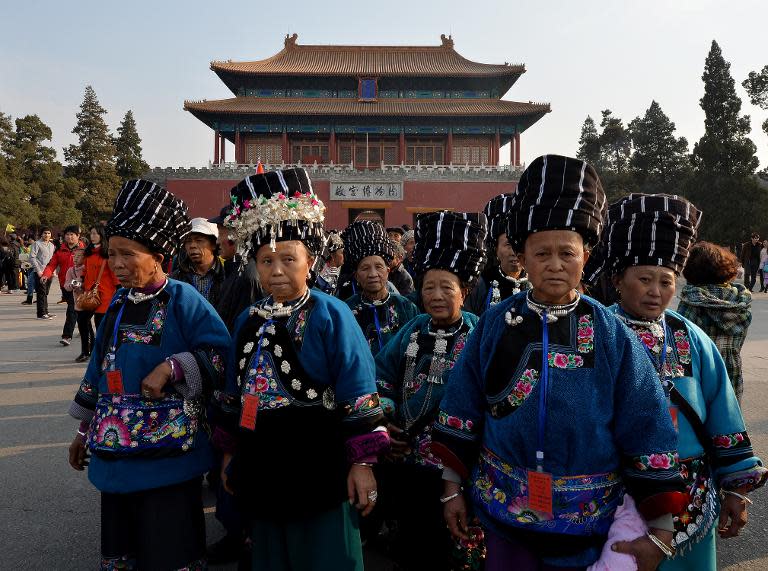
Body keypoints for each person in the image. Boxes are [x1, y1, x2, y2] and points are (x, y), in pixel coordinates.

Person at [431, 155, 689, 570]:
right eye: (541, 253)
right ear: (523, 257)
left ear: (585, 255)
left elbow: (646, 423)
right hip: (503, 514)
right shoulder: (495, 323)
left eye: (566, 253)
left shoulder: (610, 332)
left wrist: (659, 530)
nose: (554, 265)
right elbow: (462, 407)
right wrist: (451, 490)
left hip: (587, 523)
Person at [213, 168, 390, 570]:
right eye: (266, 260)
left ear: (310, 261)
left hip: (319, 465)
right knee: (272, 554)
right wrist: (229, 455)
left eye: (288, 258)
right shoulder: (248, 319)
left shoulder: (332, 314)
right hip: (261, 462)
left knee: (324, 555)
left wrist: (362, 465)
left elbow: (358, 391)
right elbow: (233, 393)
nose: (276, 270)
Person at [585, 193, 767, 570]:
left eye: (666, 281)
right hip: (616, 498)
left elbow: (722, 410)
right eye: (644, 279)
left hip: (691, 496)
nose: (656, 291)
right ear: (618, 279)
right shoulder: (595, 333)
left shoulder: (689, 336)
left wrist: (735, 487)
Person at [67, 179, 230, 569]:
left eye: (127, 255)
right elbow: (99, 367)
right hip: (115, 450)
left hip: (169, 453)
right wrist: (82, 430)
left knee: (167, 543)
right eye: (112, 255)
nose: (117, 265)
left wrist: (173, 367)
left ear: (157, 255)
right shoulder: (119, 303)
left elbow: (220, 356)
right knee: (125, 545)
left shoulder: (184, 299)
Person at [373, 211, 488, 570]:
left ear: (465, 292)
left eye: (447, 288)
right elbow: (383, 376)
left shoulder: (479, 334)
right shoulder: (413, 330)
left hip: (457, 466)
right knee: (414, 542)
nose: (436, 296)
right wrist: (387, 416)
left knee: (455, 546)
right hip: (408, 460)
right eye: (428, 288)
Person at [677, 241, 752, 403]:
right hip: (731, 376)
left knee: (696, 427)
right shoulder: (740, 302)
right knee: (729, 424)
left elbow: (680, 346)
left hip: (698, 382)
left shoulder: (691, 301)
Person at [342, 220, 419, 356]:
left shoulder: (406, 307)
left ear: (388, 271)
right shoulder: (346, 310)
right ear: (357, 276)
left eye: (379, 267)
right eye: (365, 268)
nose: (373, 274)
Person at [465, 193, 530, 315]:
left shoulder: (537, 282)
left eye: (520, 244)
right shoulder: (481, 284)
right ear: (496, 249)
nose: (514, 252)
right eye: (508, 245)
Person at [77, 225, 120, 363]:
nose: (92, 236)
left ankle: (101, 352)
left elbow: (115, 277)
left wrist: (118, 292)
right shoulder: (88, 253)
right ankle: (86, 350)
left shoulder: (108, 254)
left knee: (100, 325)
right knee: (82, 320)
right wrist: (81, 281)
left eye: (95, 233)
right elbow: (85, 271)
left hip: (105, 295)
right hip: (90, 294)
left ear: (102, 235)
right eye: (91, 233)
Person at [41, 225, 84, 345]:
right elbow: (51, 264)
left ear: (78, 236)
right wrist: (46, 275)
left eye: (72, 234)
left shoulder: (84, 249)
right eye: (67, 235)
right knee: (77, 309)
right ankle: (83, 328)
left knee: (72, 308)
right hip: (65, 285)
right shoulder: (60, 250)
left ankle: (67, 335)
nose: (69, 237)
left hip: (81, 284)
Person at [172, 217, 226, 305]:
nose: (192, 245)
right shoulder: (176, 278)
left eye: (199, 240)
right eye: (188, 241)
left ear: (214, 244)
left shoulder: (226, 275)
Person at [63, 247, 89, 362]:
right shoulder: (70, 270)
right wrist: (72, 285)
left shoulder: (87, 269)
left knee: (87, 326)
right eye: (74, 256)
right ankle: (87, 350)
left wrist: (81, 283)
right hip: (78, 302)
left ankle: (88, 350)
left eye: (79, 256)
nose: (76, 258)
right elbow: (66, 285)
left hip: (90, 301)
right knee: (84, 326)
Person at [29, 227, 56, 319]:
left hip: (49, 272)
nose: (47, 235)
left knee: (46, 292)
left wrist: (54, 271)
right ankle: (41, 313)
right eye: (45, 233)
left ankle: (46, 311)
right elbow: (32, 257)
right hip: (40, 272)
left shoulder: (52, 245)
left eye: (49, 233)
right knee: (41, 292)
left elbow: (53, 260)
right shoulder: (37, 244)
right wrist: (38, 270)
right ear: (41, 234)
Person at [315, 230, 345, 295]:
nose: (345, 255)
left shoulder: (341, 274)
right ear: (332, 255)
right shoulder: (319, 278)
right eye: (342, 253)